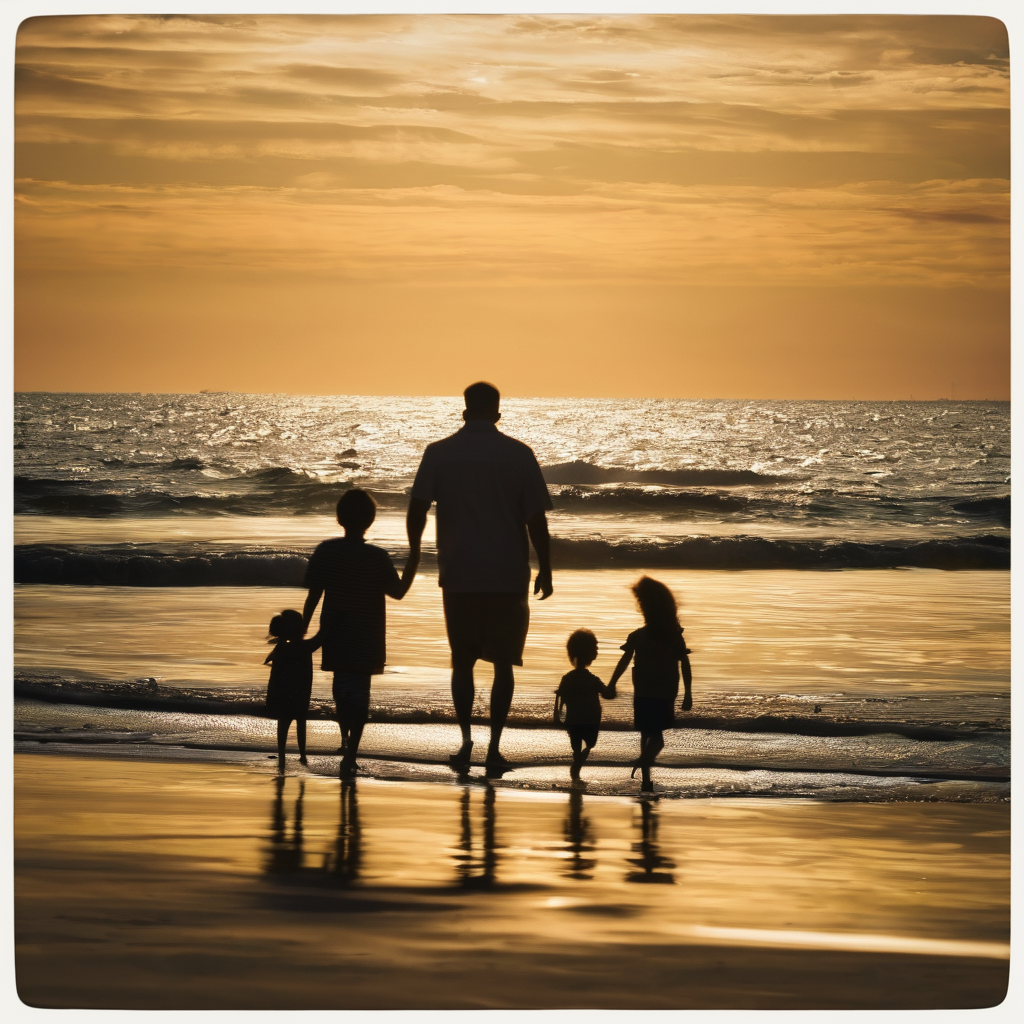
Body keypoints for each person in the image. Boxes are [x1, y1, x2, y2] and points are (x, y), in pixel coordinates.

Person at [406, 381, 553, 772]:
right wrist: (547, 566)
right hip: (507, 574)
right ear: (498, 412)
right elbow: (535, 518)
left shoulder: (439, 453)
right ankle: (495, 747)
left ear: (465, 410)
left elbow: (417, 509)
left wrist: (415, 555)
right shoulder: (519, 455)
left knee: (462, 661)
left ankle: (467, 741)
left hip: (459, 572)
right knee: (503, 663)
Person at [302, 488, 418, 776]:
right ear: (371, 519)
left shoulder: (326, 550)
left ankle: (344, 742)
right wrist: (414, 559)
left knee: (342, 692)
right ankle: (350, 751)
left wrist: (304, 629)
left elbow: (314, 594)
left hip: (336, 633)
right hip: (367, 637)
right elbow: (399, 592)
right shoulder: (377, 557)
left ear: (339, 518)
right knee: (359, 695)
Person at [608, 576, 693, 792]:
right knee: (653, 737)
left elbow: (684, 664)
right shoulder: (669, 637)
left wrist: (612, 683)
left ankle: (645, 771)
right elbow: (684, 664)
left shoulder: (646, 636)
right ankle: (645, 773)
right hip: (660, 693)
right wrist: (687, 694)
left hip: (648, 692)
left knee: (649, 735)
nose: (641, 608)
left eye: (643, 604)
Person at [553, 628, 615, 780]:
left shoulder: (567, 678)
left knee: (576, 745)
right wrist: (613, 687)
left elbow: (560, 697)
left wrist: (557, 715)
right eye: (595, 648)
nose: (597, 651)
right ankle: (577, 766)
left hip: (573, 720)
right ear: (589, 653)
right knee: (590, 744)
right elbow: (607, 694)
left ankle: (577, 763)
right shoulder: (592, 679)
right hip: (590, 720)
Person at [264, 609, 321, 769]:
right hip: (299, 692)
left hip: (283, 692)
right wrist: (329, 621)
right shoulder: (301, 646)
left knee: (284, 721)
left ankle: (282, 754)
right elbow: (320, 638)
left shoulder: (282, 646)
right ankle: (302, 755)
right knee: (300, 719)